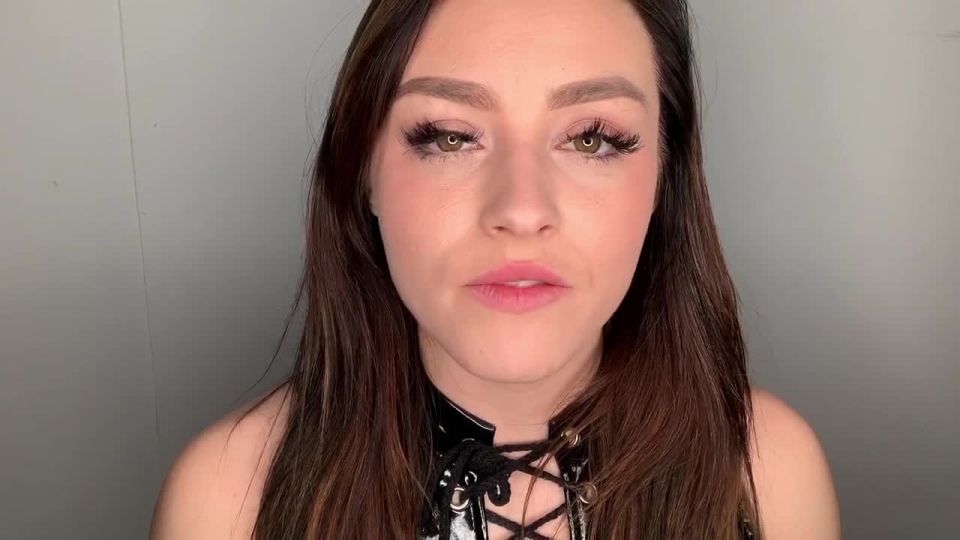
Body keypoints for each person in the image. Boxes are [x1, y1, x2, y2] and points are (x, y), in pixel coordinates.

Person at [150, 0, 841, 538]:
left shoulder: (768, 471)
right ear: (363, 173)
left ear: (665, 176)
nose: (521, 210)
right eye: (451, 136)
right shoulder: (229, 500)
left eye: (592, 138)